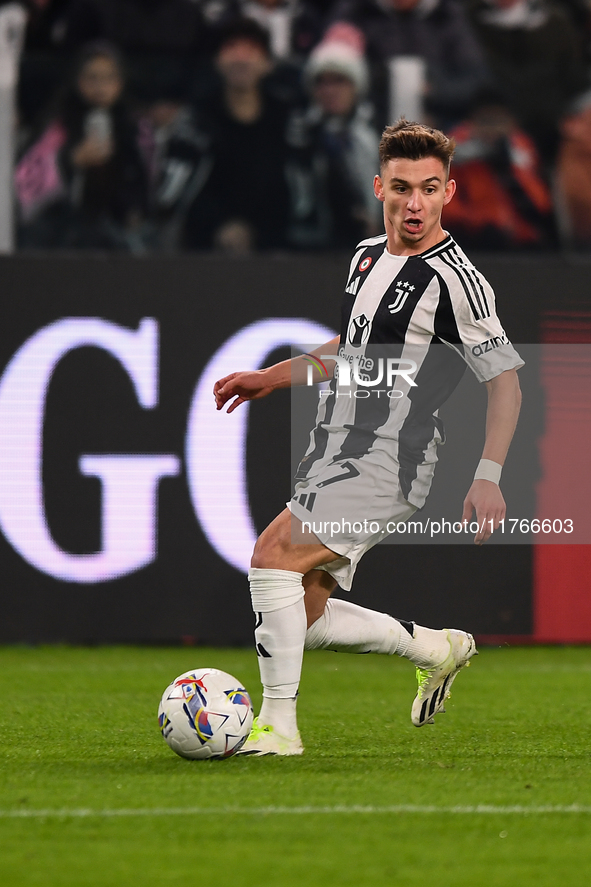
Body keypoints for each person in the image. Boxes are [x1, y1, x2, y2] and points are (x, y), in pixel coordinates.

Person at [214, 119, 523, 755]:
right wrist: (273, 377)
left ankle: (277, 729)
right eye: (402, 188)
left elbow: (507, 381)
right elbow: (353, 350)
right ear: (379, 186)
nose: (415, 204)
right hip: (334, 446)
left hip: (391, 459)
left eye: (430, 189)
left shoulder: (456, 282)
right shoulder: (364, 257)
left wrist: (488, 474)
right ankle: (438, 648)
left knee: (272, 556)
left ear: (449, 193)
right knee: (304, 612)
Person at [15, 41, 148, 250]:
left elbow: (149, 181)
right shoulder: (58, 125)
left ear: (120, 83)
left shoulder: (137, 128)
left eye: (108, 78)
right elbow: (24, 180)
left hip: (120, 234)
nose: (100, 87)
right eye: (92, 78)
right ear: (78, 81)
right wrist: (70, 160)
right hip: (60, 233)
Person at [286, 28, 382, 247]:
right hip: (313, 245)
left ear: (356, 86)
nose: (329, 90)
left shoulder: (377, 132)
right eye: (322, 82)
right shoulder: (300, 134)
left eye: (339, 81)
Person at [443, 91, 555, 250]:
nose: (492, 130)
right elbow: (447, 209)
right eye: (485, 122)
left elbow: (541, 204)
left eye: (499, 122)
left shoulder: (520, 148)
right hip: (473, 237)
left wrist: (511, 169)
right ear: (471, 123)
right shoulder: (455, 151)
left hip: (521, 237)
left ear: (511, 123)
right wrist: (478, 223)